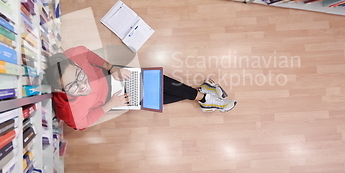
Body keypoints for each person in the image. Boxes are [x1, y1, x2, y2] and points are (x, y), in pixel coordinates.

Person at [46, 46, 237, 130]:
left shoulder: (73, 55)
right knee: (156, 97)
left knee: (158, 81)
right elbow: (84, 122)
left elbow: (87, 55)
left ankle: (202, 97)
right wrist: (110, 105)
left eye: (80, 75)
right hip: (112, 99)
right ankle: (204, 97)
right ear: (61, 90)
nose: (83, 84)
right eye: (72, 86)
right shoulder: (68, 112)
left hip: (113, 76)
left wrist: (111, 68)